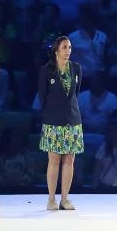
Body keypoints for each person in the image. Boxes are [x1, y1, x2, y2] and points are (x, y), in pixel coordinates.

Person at [38, 36, 83, 211]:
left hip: (72, 118)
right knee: (54, 158)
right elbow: (43, 97)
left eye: (70, 47)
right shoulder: (46, 70)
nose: (68, 50)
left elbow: (75, 94)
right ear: (57, 50)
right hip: (53, 120)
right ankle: (51, 199)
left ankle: (65, 198)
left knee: (69, 159)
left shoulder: (77, 69)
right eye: (65, 47)